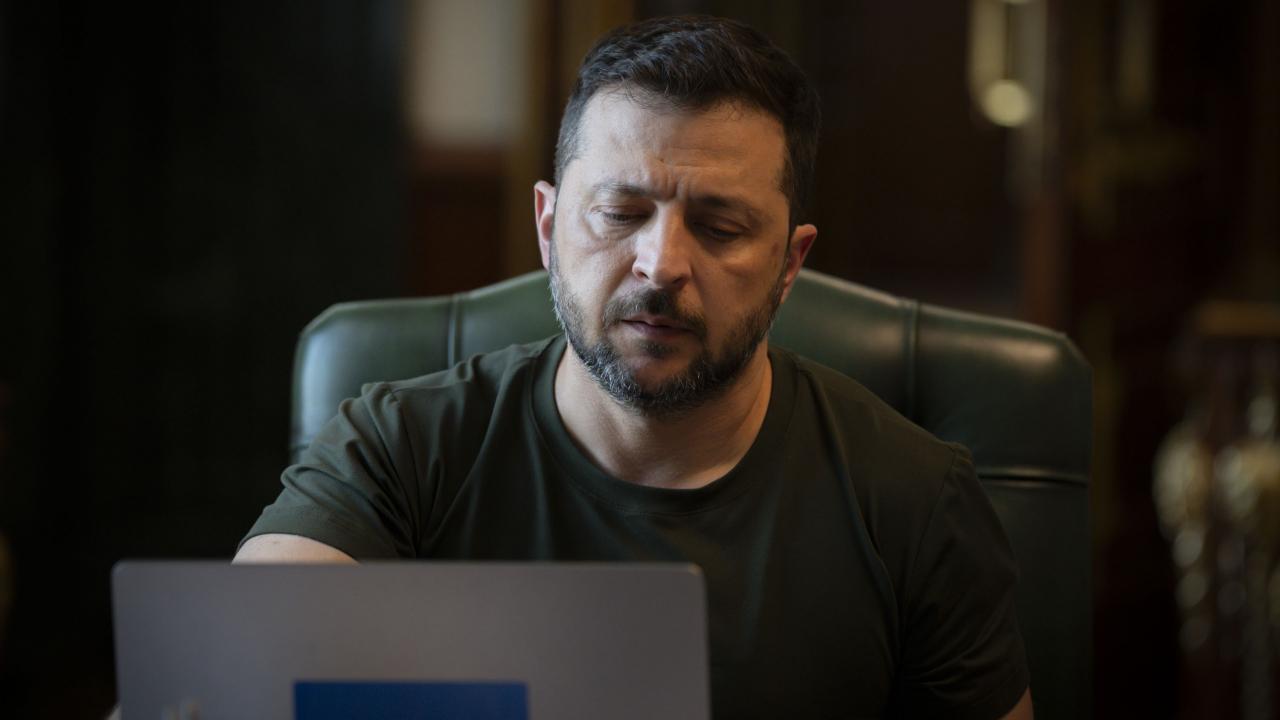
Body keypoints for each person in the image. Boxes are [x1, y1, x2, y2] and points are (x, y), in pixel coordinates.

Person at [236, 15, 1034, 719]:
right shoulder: (401, 446)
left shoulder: (915, 499)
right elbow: (244, 669)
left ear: (790, 264)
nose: (661, 265)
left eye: (719, 227)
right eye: (620, 214)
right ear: (548, 228)